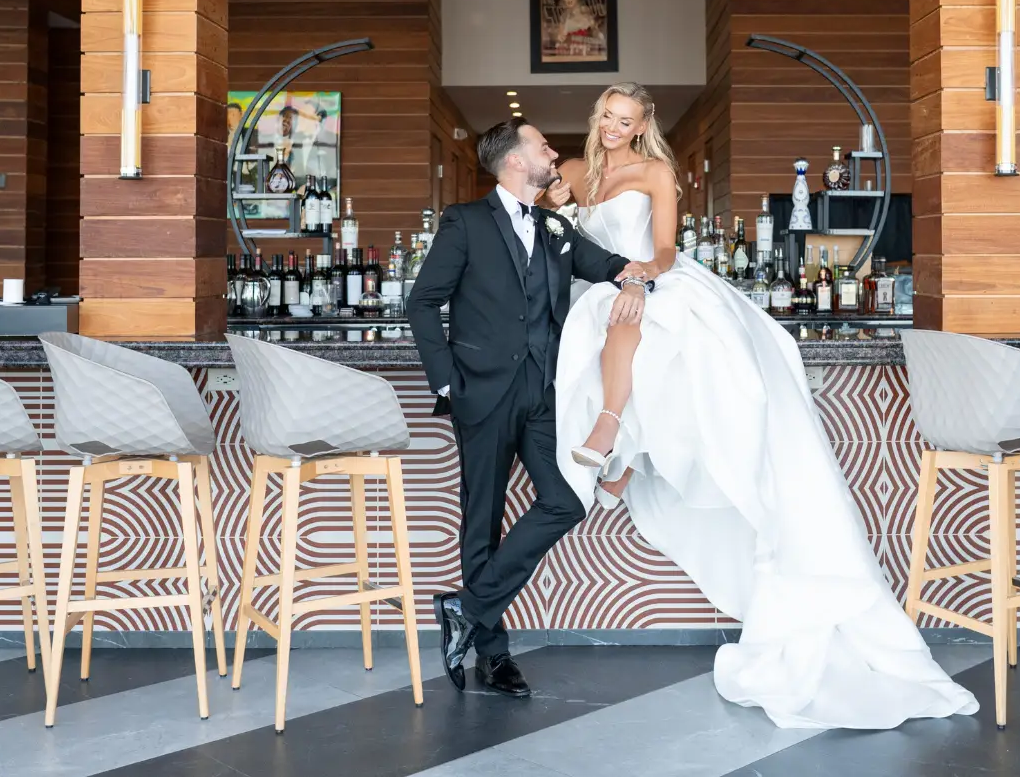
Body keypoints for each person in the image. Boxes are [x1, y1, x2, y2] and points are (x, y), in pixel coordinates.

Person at [547, 82, 980, 730]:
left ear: (642, 124)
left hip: (652, 280)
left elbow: (663, 248)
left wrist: (641, 274)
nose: (612, 127)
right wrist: (554, 205)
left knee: (649, 328)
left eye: (624, 119)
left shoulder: (656, 170)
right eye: (606, 116)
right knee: (611, 324)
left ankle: (616, 442)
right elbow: (550, 232)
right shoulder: (576, 170)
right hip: (597, 286)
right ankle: (624, 449)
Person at [407, 117, 649, 698]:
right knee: (482, 523)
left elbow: (611, 265)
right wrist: (447, 383)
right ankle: (493, 657)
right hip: (481, 393)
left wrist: (635, 281)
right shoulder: (465, 222)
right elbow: (422, 303)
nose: (553, 154)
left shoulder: (556, 227)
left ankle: (466, 608)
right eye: (543, 146)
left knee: (567, 500)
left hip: (543, 395)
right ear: (515, 160)